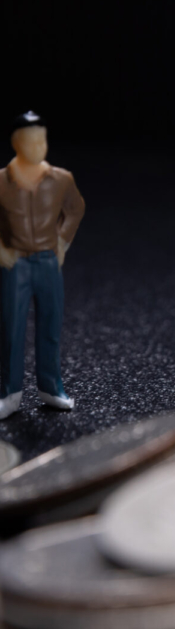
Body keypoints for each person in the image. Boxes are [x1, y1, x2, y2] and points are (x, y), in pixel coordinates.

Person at [0, 111, 85, 418]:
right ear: (15, 142)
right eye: (29, 139)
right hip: (16, 264)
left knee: (50, 325)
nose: (37, 146)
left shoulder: (60, 178)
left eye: (41, 139)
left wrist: (62, 242)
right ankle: (9, 393)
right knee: (11, 328)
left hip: (49, 263)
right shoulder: (2, 180)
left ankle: (51, 388)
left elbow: (75, 209)